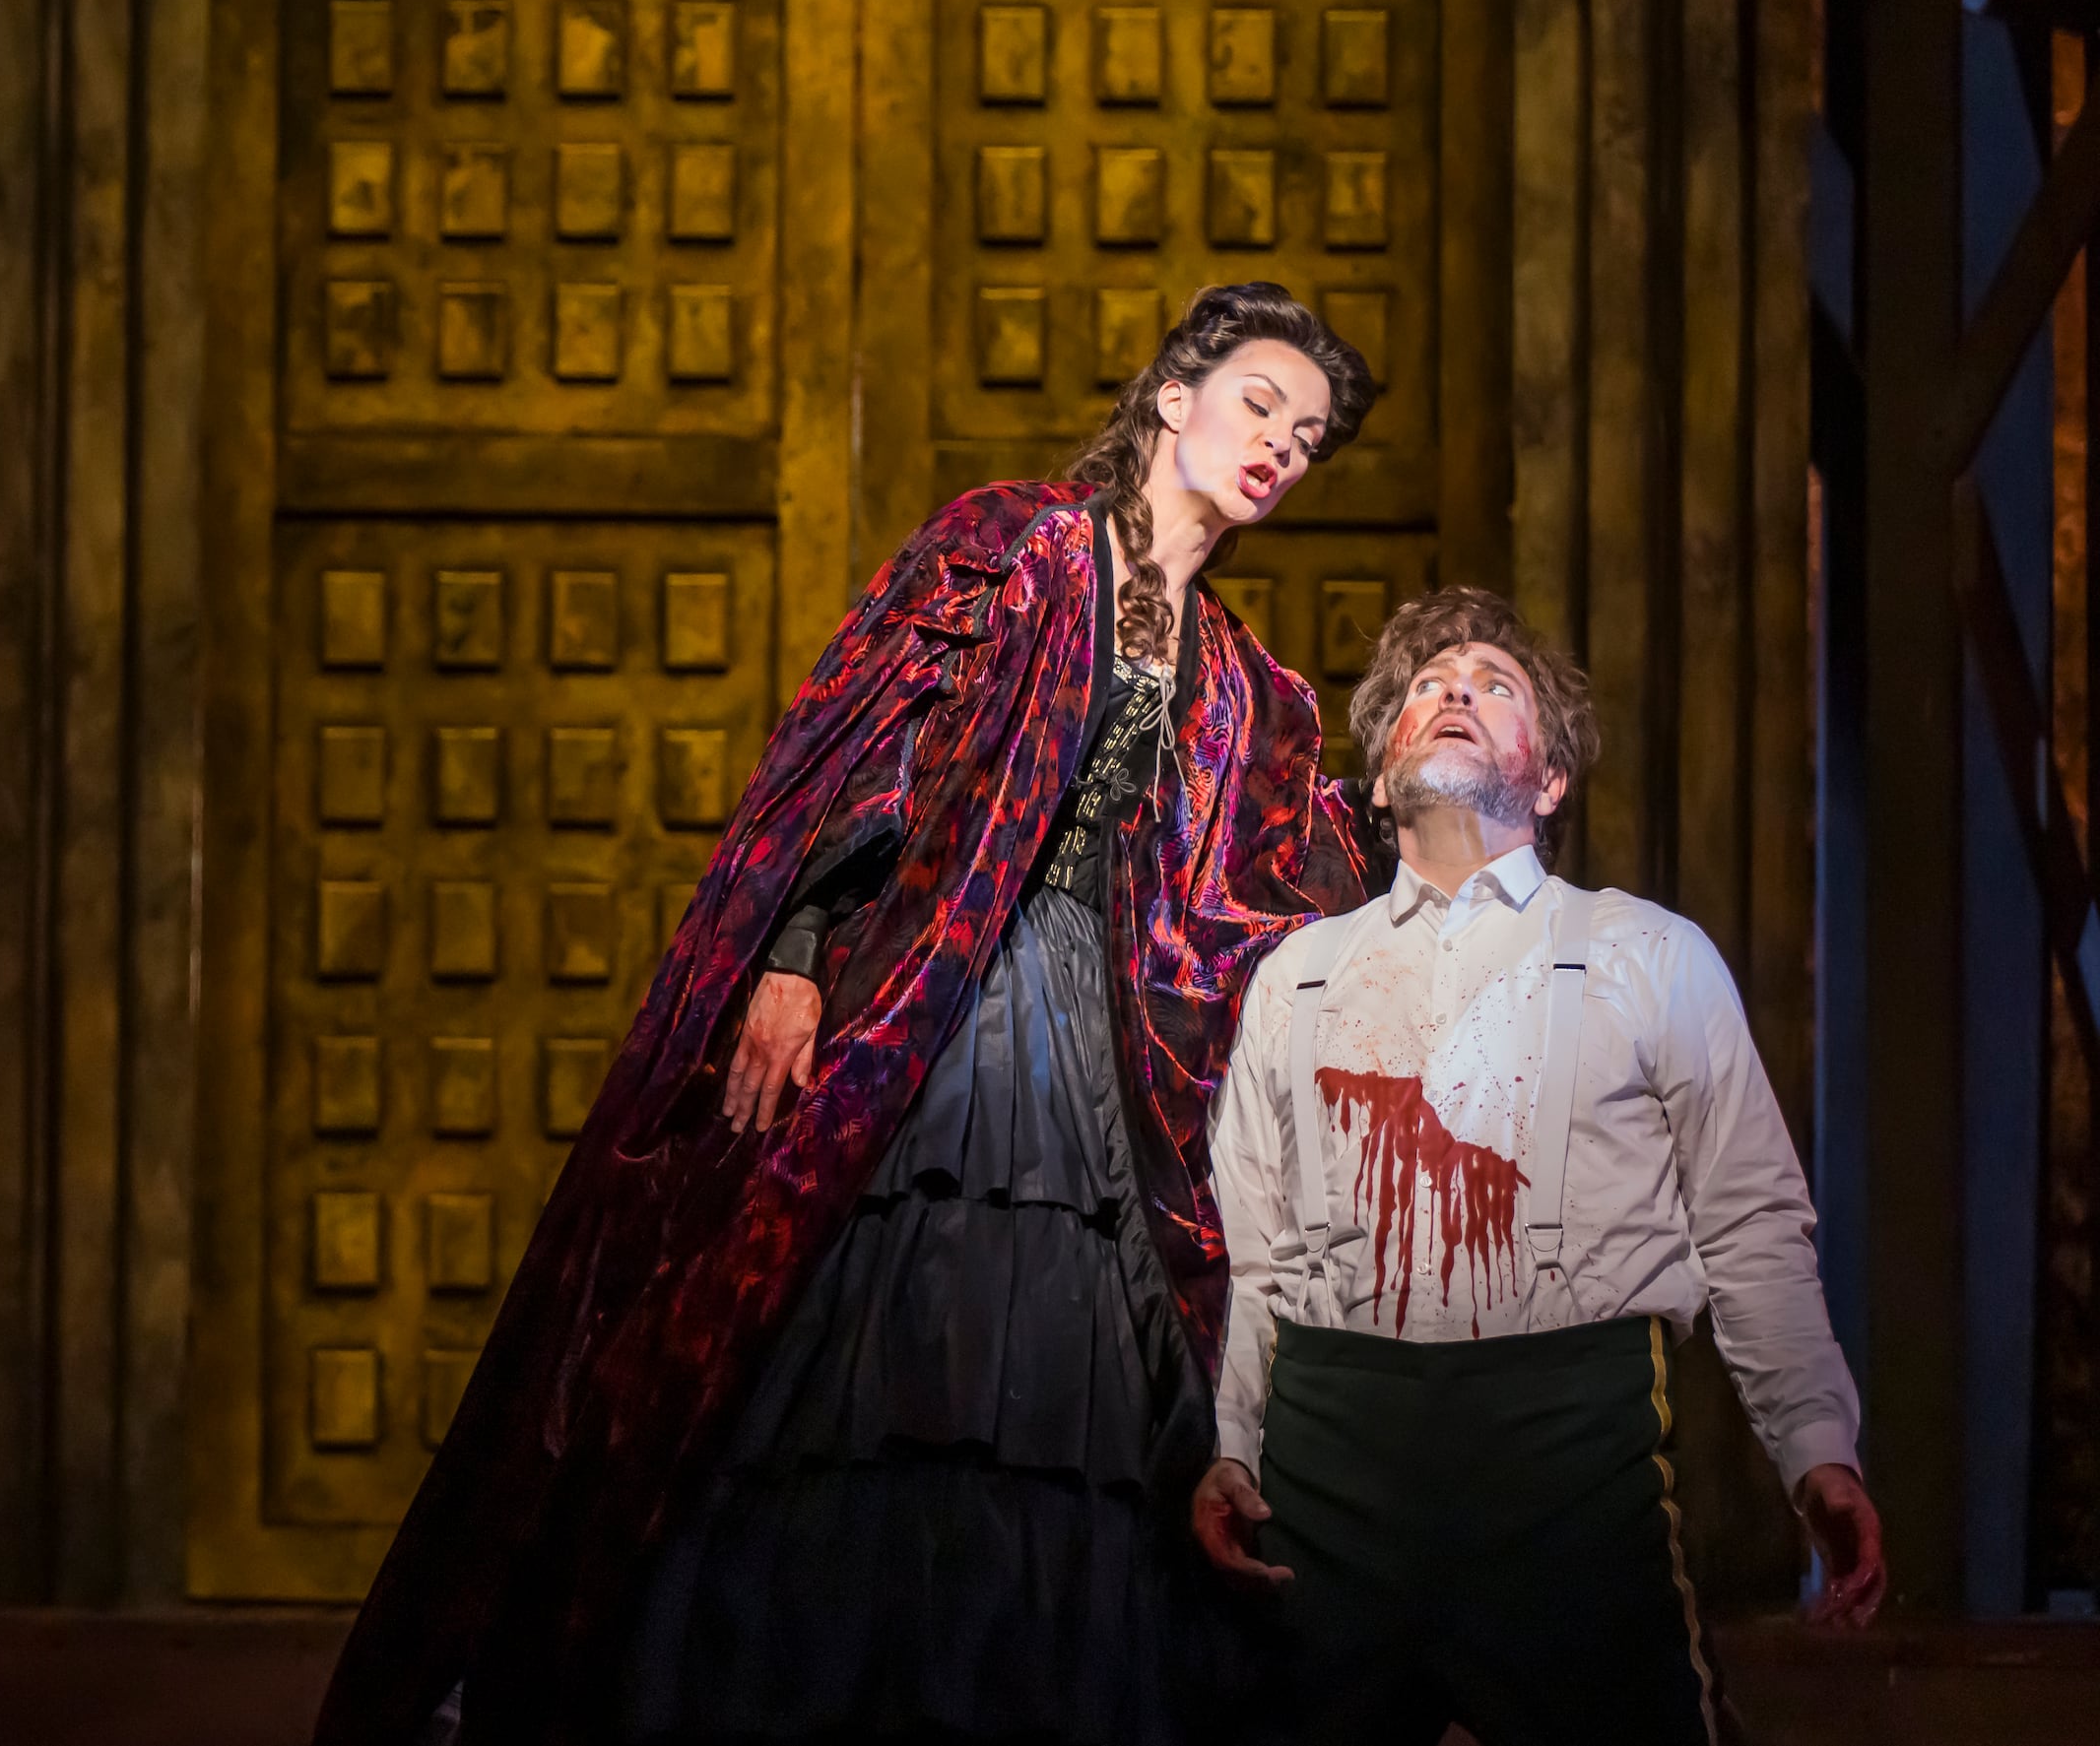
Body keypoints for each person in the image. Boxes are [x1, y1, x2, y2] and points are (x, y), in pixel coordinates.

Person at [318, 283, 1382, 1746]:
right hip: (922, 1000)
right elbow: (866, 753)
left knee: (1051, 1382)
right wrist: (795, 955)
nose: (1280, 443)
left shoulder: (1241, 680)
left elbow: (1263, 886)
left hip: (1092, 1049)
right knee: (867, 1347)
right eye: (1259, 403)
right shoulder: (1012, 545)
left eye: (1309, 435)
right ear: (1173, 398)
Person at [1193, 588, 1886, 1746]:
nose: (1454, 689)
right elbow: (1257, 1259)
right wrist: (1229, 1443)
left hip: (1570, 1460)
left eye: (1493, 685)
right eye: (1427, 686)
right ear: (1379, 776)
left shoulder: (1649, 954)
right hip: (1329, 1460)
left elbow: (1750, 1225)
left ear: (1552, 777)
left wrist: (1817, 1449)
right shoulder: (1296, 975)